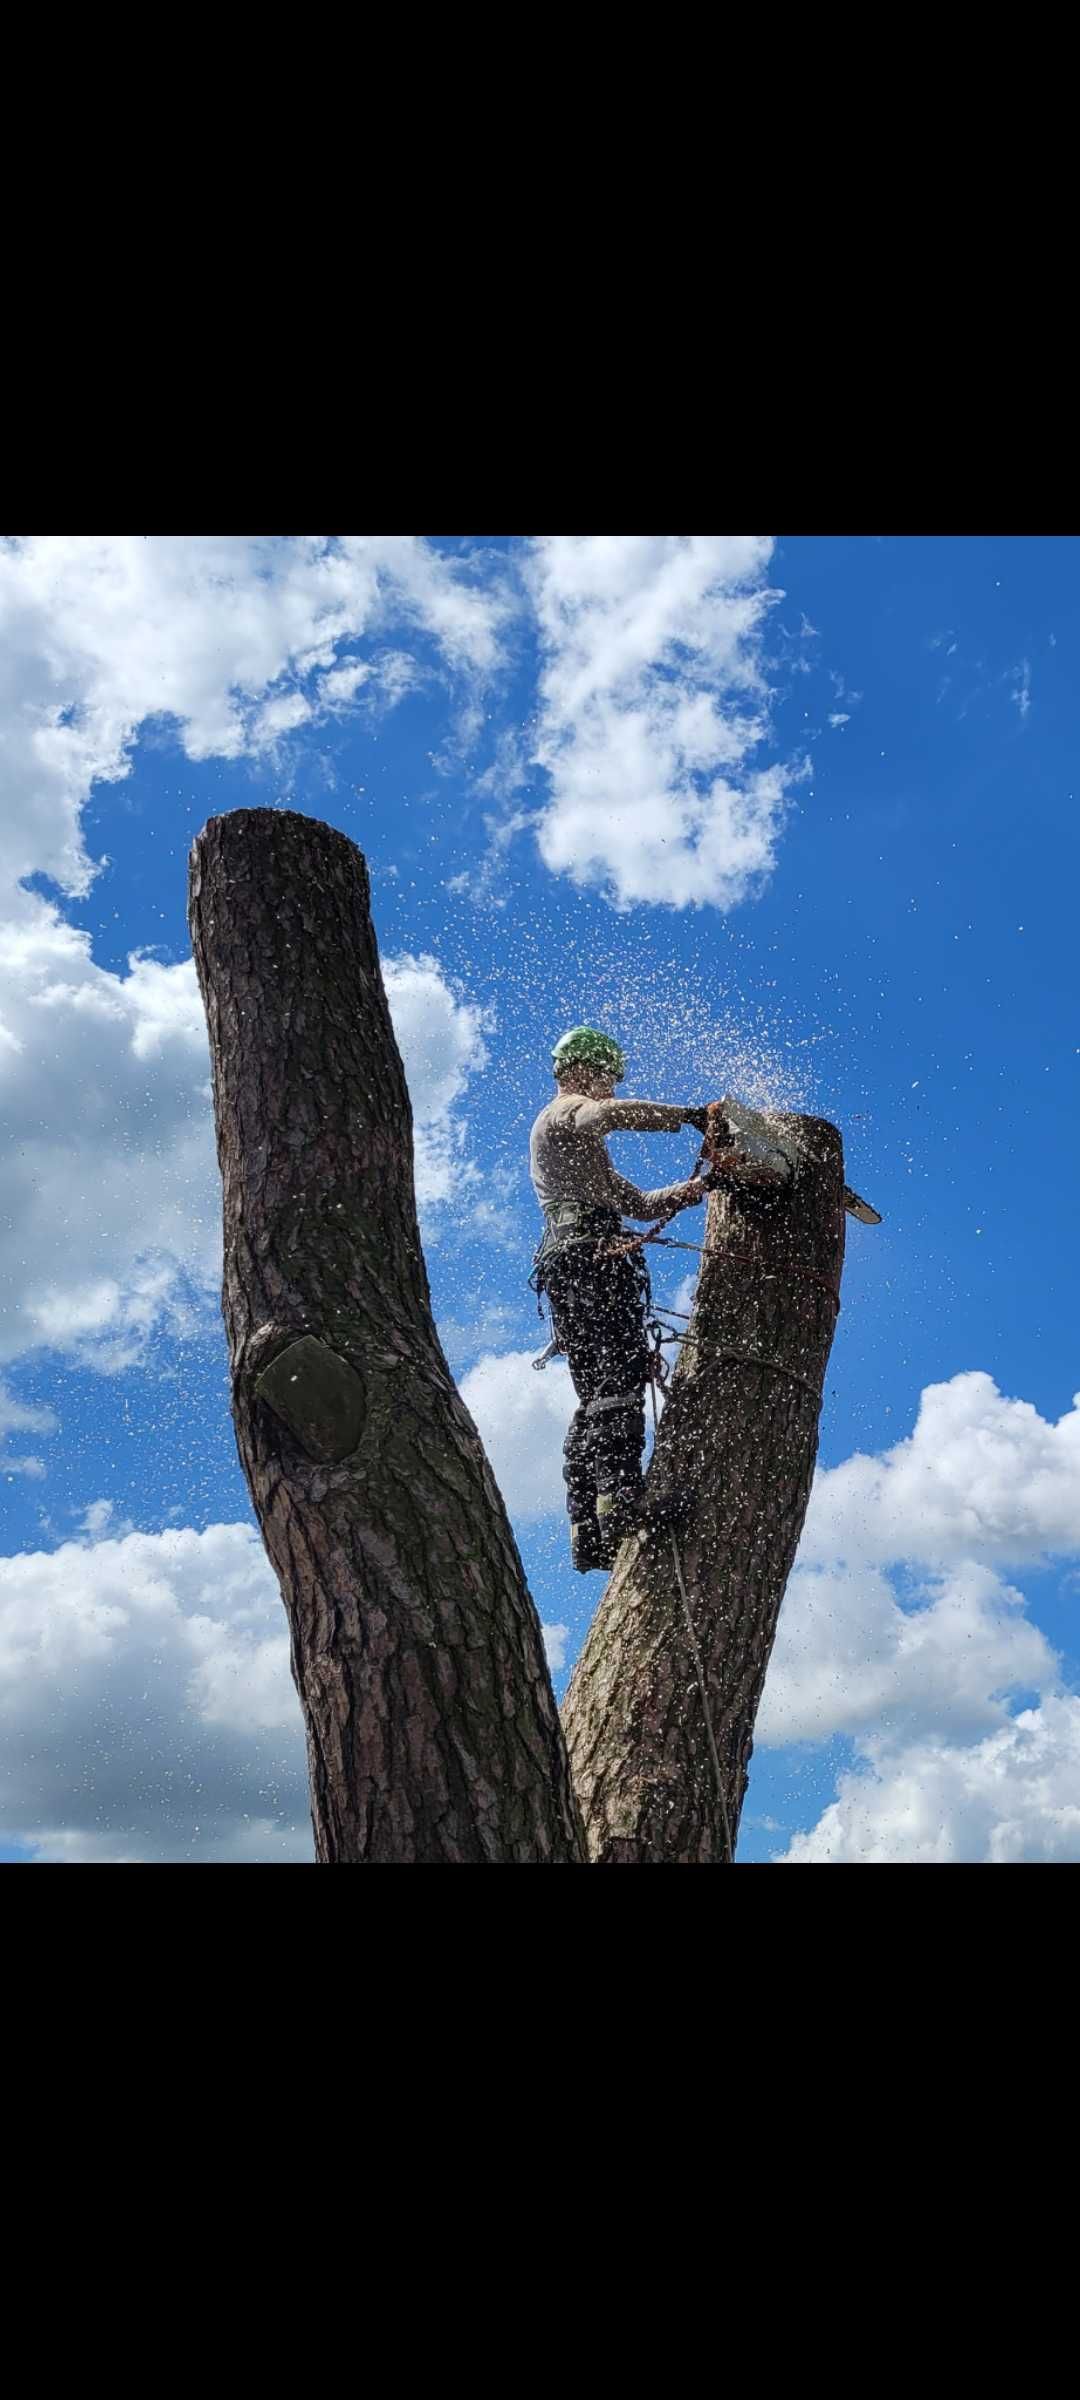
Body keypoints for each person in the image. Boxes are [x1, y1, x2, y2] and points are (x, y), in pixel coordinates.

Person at [529, 1026, 793, 1571]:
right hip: (592, 1258)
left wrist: (705, 1187)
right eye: (606, 1077)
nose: (609, 1087)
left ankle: (589, 1524)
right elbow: (604, 1115)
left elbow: (642, 1205)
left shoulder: (583, 1161)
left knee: (598, 1386)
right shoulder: (566, 1114)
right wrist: (692, 1116)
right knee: (618, 1375)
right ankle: (624, 1499)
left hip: (574, 1259)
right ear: (583, 1070)